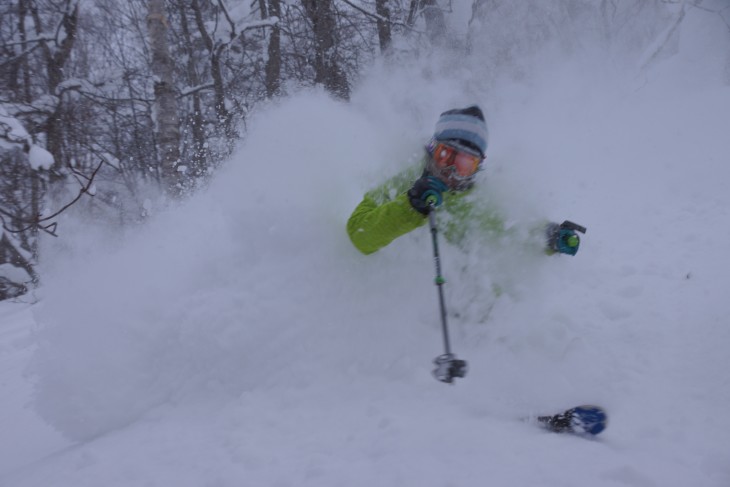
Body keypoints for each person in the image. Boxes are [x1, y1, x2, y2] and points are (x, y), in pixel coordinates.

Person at [346, 105, 582, 258]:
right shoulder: (407, 178)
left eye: (464, 164)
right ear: (431, 148)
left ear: (478, 167)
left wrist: (549, 236)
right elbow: (359, 235)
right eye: (445, 155)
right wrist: (410, 206)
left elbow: (513, 228)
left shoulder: (479, 198)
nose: (450, 170)